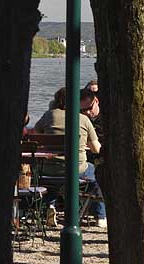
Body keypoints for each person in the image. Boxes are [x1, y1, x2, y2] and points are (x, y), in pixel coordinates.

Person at [33, 87, 106, 229]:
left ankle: (50, 205)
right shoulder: (83, 119)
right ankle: (100, 216)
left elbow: (37, 132)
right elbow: (97, 149)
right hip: (76, 170)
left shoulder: (49, 115)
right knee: (97, 173)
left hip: (48, 171)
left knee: (56, 179)